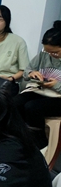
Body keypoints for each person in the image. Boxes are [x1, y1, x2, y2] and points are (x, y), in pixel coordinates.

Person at [14, 21, 61, 149]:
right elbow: (27, 71)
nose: (51, 55)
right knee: (15, 102)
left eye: (55, 52)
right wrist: (32, 74)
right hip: (42, 91)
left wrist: (56, 85)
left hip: (58, 97)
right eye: (48, 51)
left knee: (32, 107)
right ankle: (19, 136)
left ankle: (39, 142)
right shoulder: (43, 54)